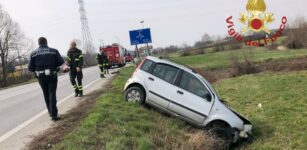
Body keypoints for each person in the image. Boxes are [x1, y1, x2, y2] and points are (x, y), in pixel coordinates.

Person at [28, 37, 64, 122]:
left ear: (39, 43)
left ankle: (51, 114)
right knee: (52, 94)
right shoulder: (53, 51)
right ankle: (54, 115)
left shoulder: (33, 54)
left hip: (41, 77)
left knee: (46, 94)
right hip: (52, 75)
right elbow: (60, 62)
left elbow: (30, 68)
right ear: (46, 42)